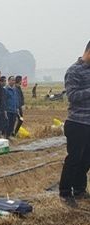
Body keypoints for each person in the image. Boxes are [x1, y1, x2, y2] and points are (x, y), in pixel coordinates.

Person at [58, 41, 90, 207]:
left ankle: (79, 189)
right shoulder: (74, 71)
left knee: (86, 159)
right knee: (74, 159)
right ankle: (65, 192)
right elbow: (72, 96)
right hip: (77, 122)